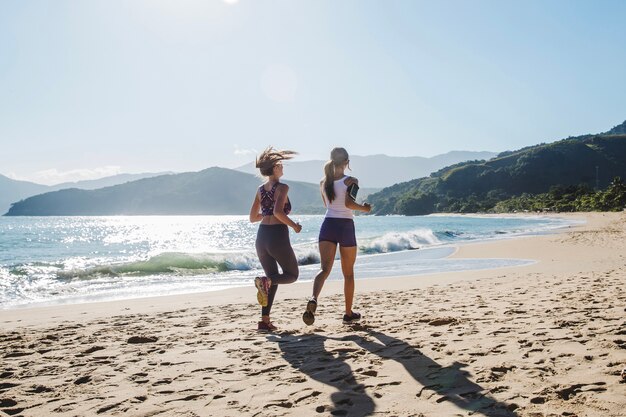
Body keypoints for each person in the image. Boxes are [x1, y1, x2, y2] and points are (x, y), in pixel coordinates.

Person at [303, 147, 371, 326]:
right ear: (347, 163)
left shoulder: (323, 182)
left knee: (324, 270)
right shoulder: (351, 180)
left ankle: (313, 298)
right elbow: (348, 203)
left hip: (328, 225)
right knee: (348, 274)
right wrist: (365, 208)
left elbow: (327, 204)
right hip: (345, 226)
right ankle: (348, 314)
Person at [249, 146, 302, 331]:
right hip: (277, 237)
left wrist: (266, 214)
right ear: (273, 169)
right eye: (279, 165)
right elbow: (279, 212)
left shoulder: (260, 189)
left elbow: (252, 217)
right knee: (292, 275)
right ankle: (267, 284)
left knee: (272, 278)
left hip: (261, 237)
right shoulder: (283, 187)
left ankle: (264, 321)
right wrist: (294, 225)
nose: (281, 167)